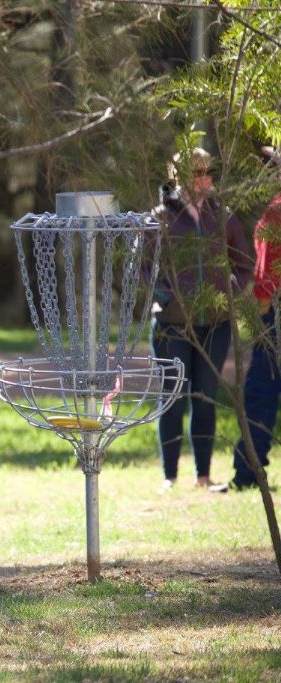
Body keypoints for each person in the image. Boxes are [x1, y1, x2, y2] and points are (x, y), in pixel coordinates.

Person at [151, 147, 252, 491]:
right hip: (172, 325)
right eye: (198, 173)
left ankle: (203, 476)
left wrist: (228, 292)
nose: (206, 178)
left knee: (205, 397)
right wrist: (164, 298)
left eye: (209, 171)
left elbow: (243, 264)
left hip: (216, 325)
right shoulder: (160, 217)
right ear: (179, 176)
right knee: (172, 397)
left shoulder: (223, 216)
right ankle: (169, 476)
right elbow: (141, 268)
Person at [212, 147, 281, 493]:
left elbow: (267, 272)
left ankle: (248, 473)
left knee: (261, 391)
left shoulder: (277, 211)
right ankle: (249, 471)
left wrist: (265, 309)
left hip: (276, 312)